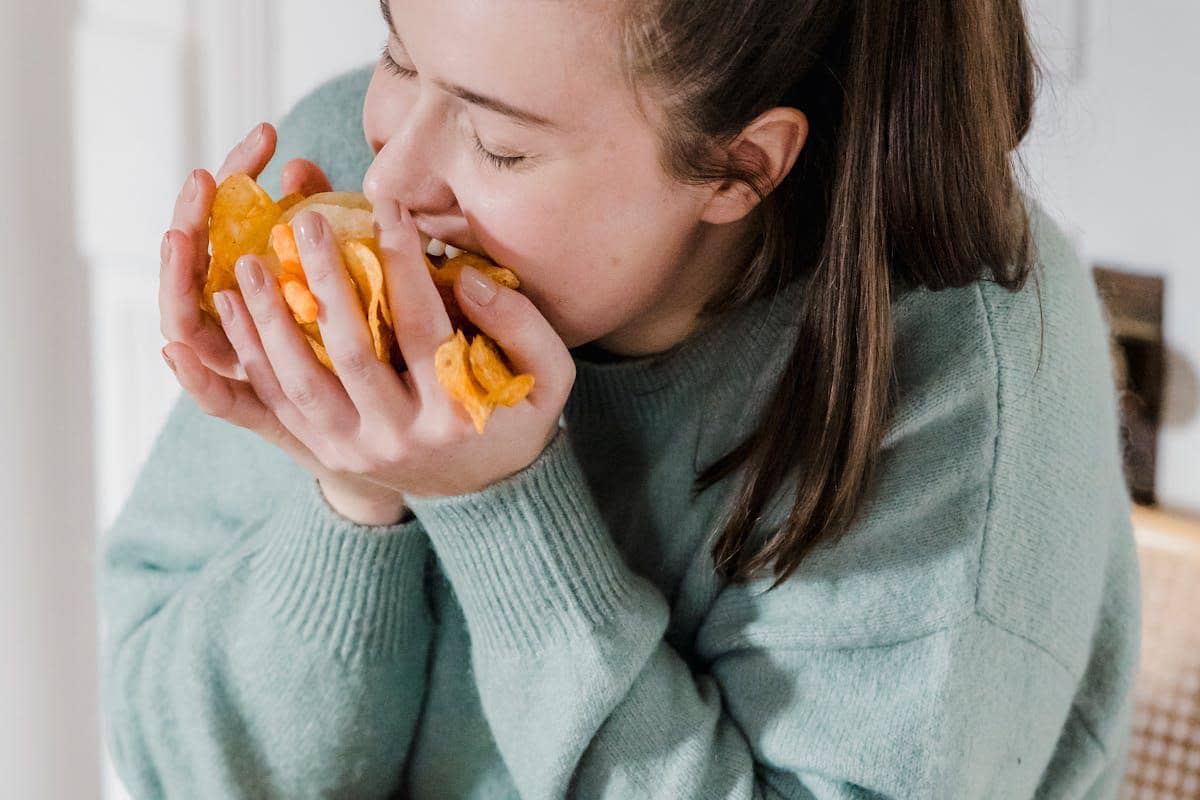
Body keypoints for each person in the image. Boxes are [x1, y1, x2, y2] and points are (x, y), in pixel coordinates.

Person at [97, 0, 1141, 797]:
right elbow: (174, 761)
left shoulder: (962, 373)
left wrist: (499, 505)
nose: (389, 178)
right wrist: (351, 495)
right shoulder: (345, 177)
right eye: (398, 53)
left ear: (742, 165)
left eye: (501, 145)